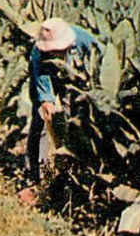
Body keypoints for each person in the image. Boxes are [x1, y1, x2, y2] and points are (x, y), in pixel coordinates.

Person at [21, 17, 100, 199]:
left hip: (74, 79)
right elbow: (43, 86)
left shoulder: (84, 40)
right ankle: (35, 174)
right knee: (40, 119)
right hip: (47, 75)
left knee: (73, 119)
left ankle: (73, 169)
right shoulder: (38, 53)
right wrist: (46, 102)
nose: (55, 53)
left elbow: (102, 62)